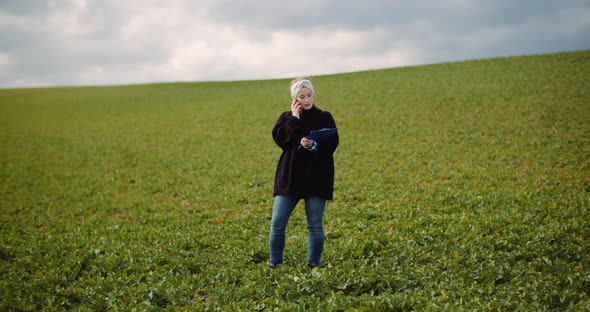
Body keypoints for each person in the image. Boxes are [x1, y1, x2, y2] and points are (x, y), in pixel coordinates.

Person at [267, 77, 339, 268]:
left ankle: (313, 263)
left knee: (315, 225)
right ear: (294, 98)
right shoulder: (286, 118)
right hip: (290, 177)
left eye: (309, 95)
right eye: (302, 96)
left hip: (316, 178)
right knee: (277, 223)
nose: (306, 100)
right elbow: (281, 141)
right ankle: (274, 262)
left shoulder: (325, 117)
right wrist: (295, 118)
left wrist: (314, 144)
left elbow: (332, 144)